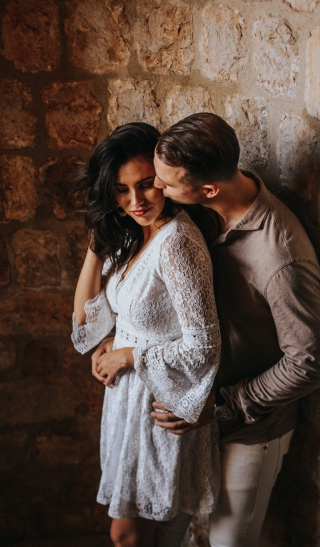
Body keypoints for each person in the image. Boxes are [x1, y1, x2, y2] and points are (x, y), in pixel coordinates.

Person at [151, 113, 320, 547]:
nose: (158, 190)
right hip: (196, 414)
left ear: (208, 189)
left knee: (230, 542)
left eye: (167, 183)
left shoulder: (281, 257)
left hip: (251, 428)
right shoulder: (206, 210)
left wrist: (228, 404)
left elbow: (309, 362)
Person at [71, 122, 221, 547]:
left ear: (164, 180)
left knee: (129, 536)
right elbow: (85, 322)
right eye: (120, 190)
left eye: (146, 185)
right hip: (127, 405)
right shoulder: (133, 236)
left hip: (159, 402)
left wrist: (128, 355)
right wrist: (96, 242)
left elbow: (204, 344)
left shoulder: (177, 241)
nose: (135, 201)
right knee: (149, 537)